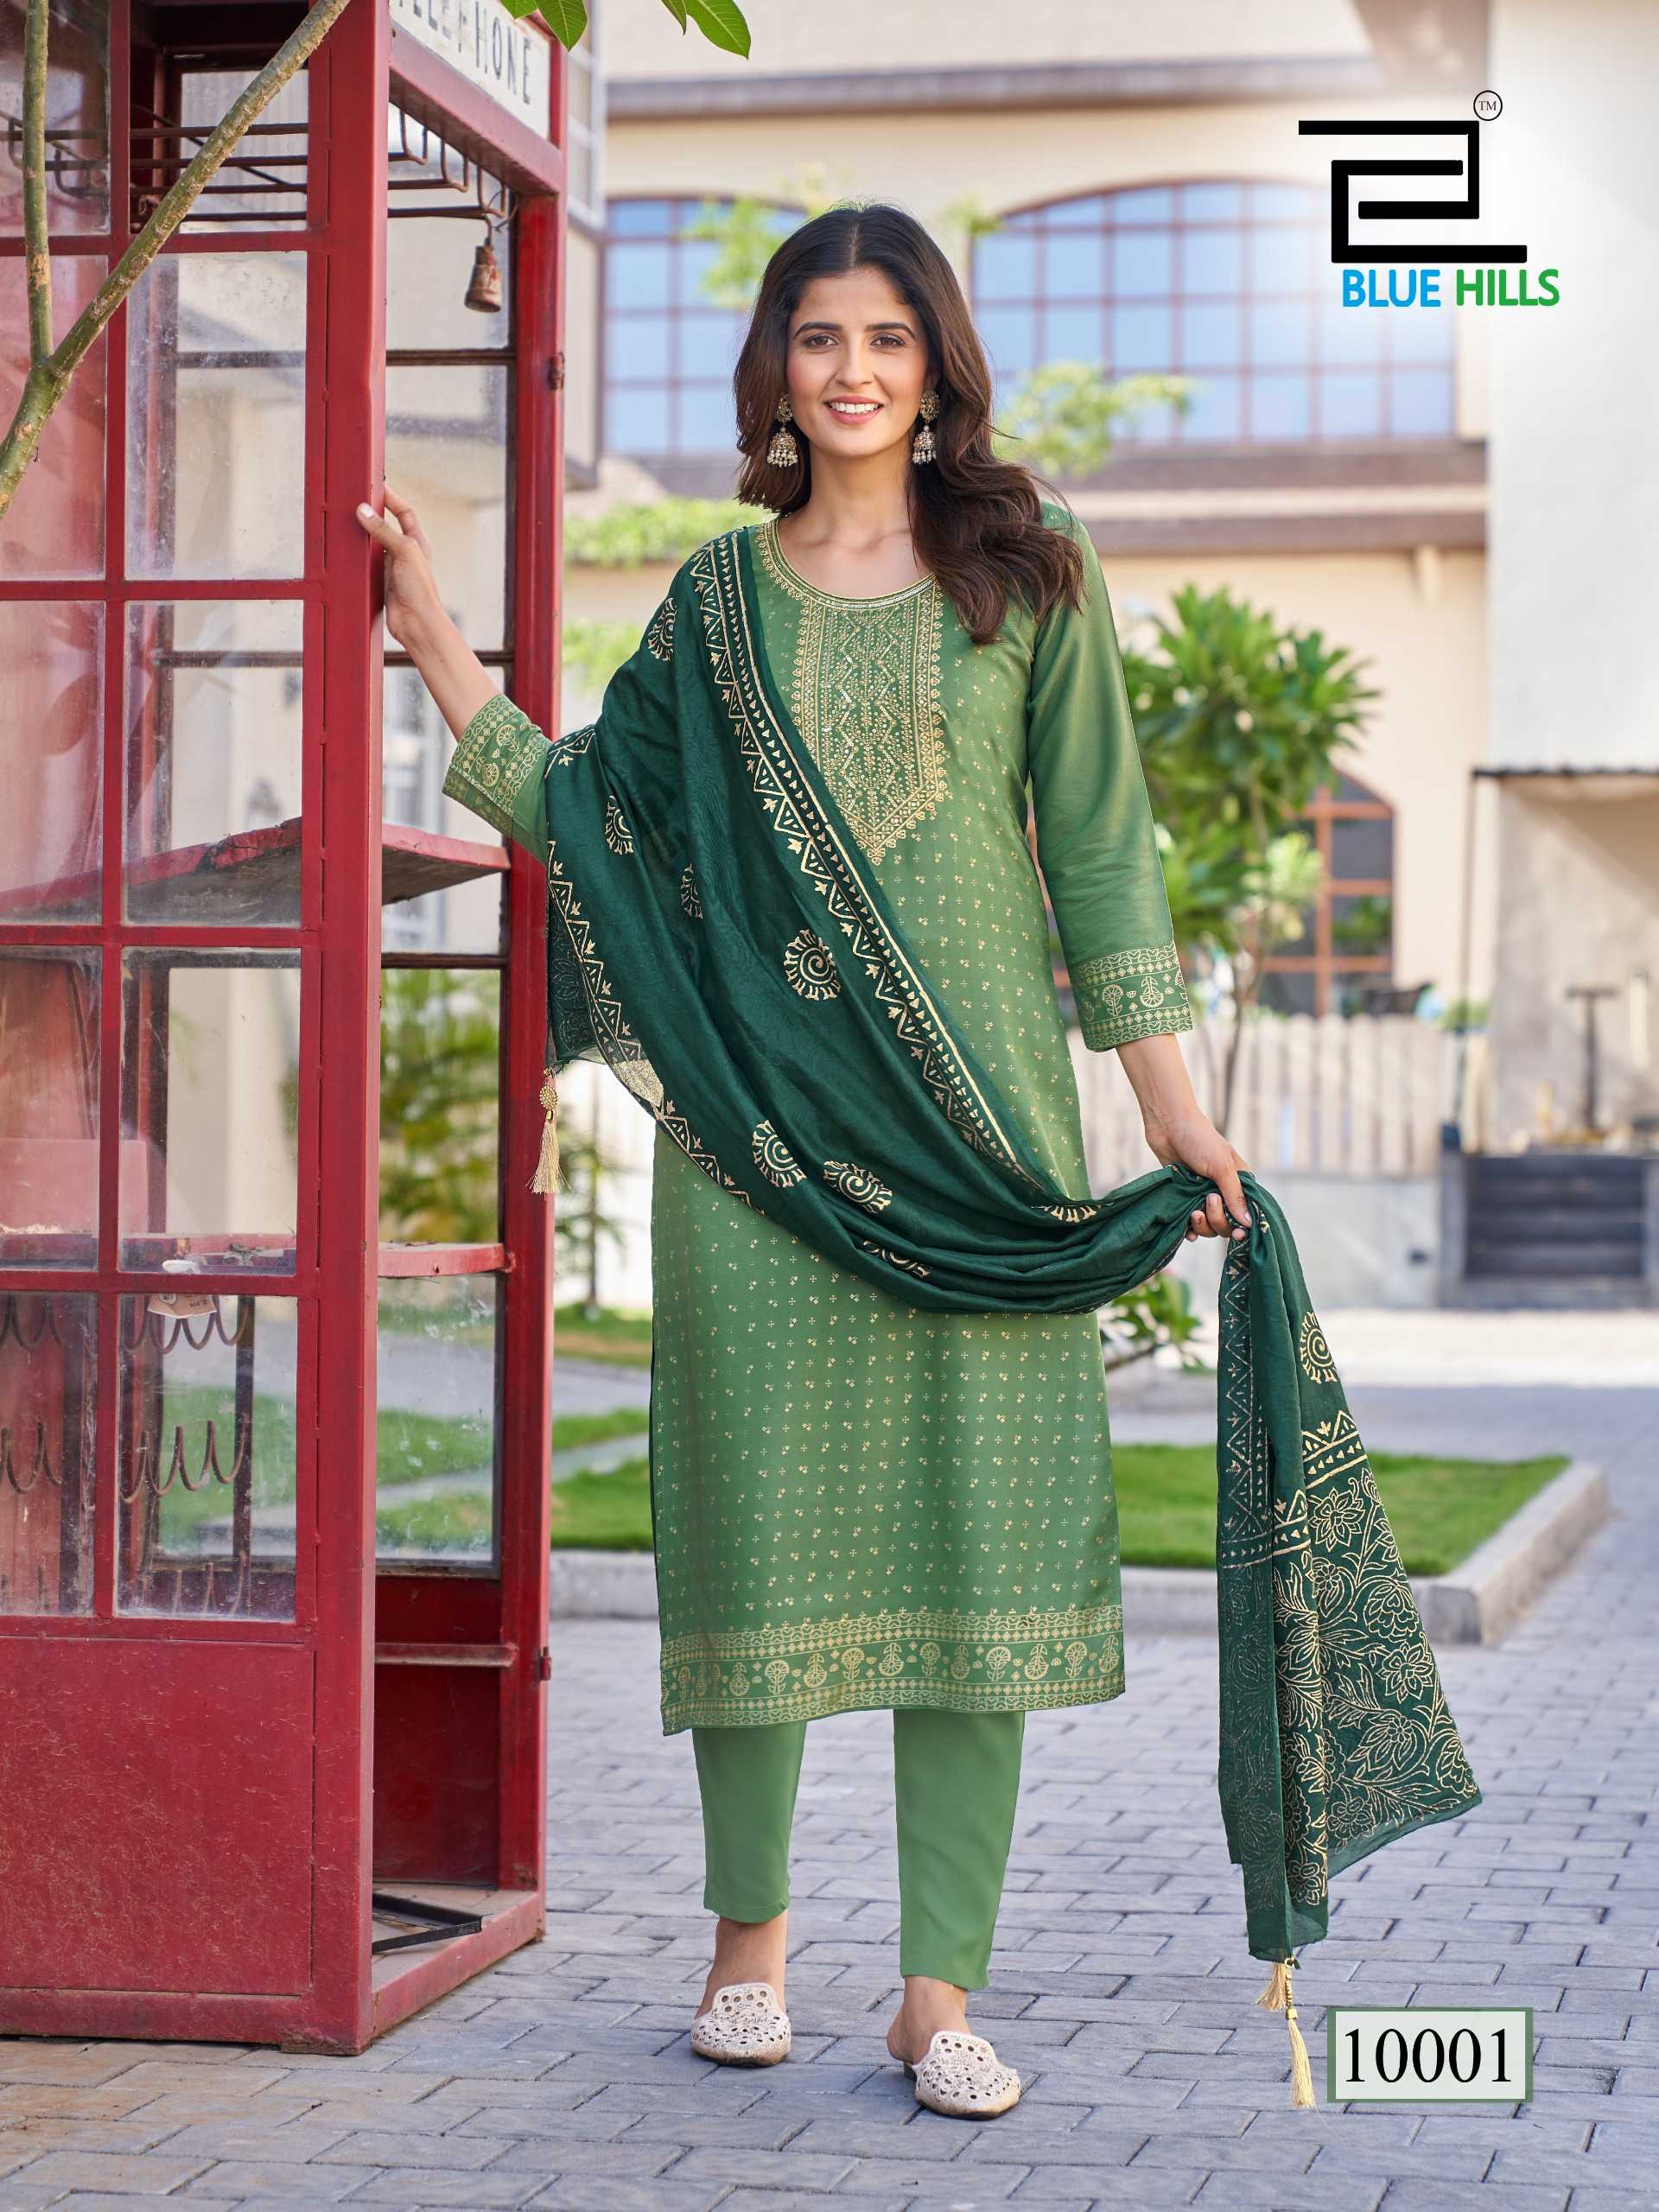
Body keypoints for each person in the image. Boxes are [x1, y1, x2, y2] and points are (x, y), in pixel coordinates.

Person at [356, 202, 1254, 2120]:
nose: (853, 370)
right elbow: (598, 819)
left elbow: (1104, 853)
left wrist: (1168, 1107)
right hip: (761, 1149)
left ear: (936, 370)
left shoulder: (1030, 574)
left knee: (977, 1530)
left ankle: (938, 1991)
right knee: (756, 1516)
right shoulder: (711, 608)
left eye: (889, 338)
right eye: (822, 336)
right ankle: (746, 1945)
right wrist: (437, 646)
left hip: (983, 1137)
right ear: (776, 366)